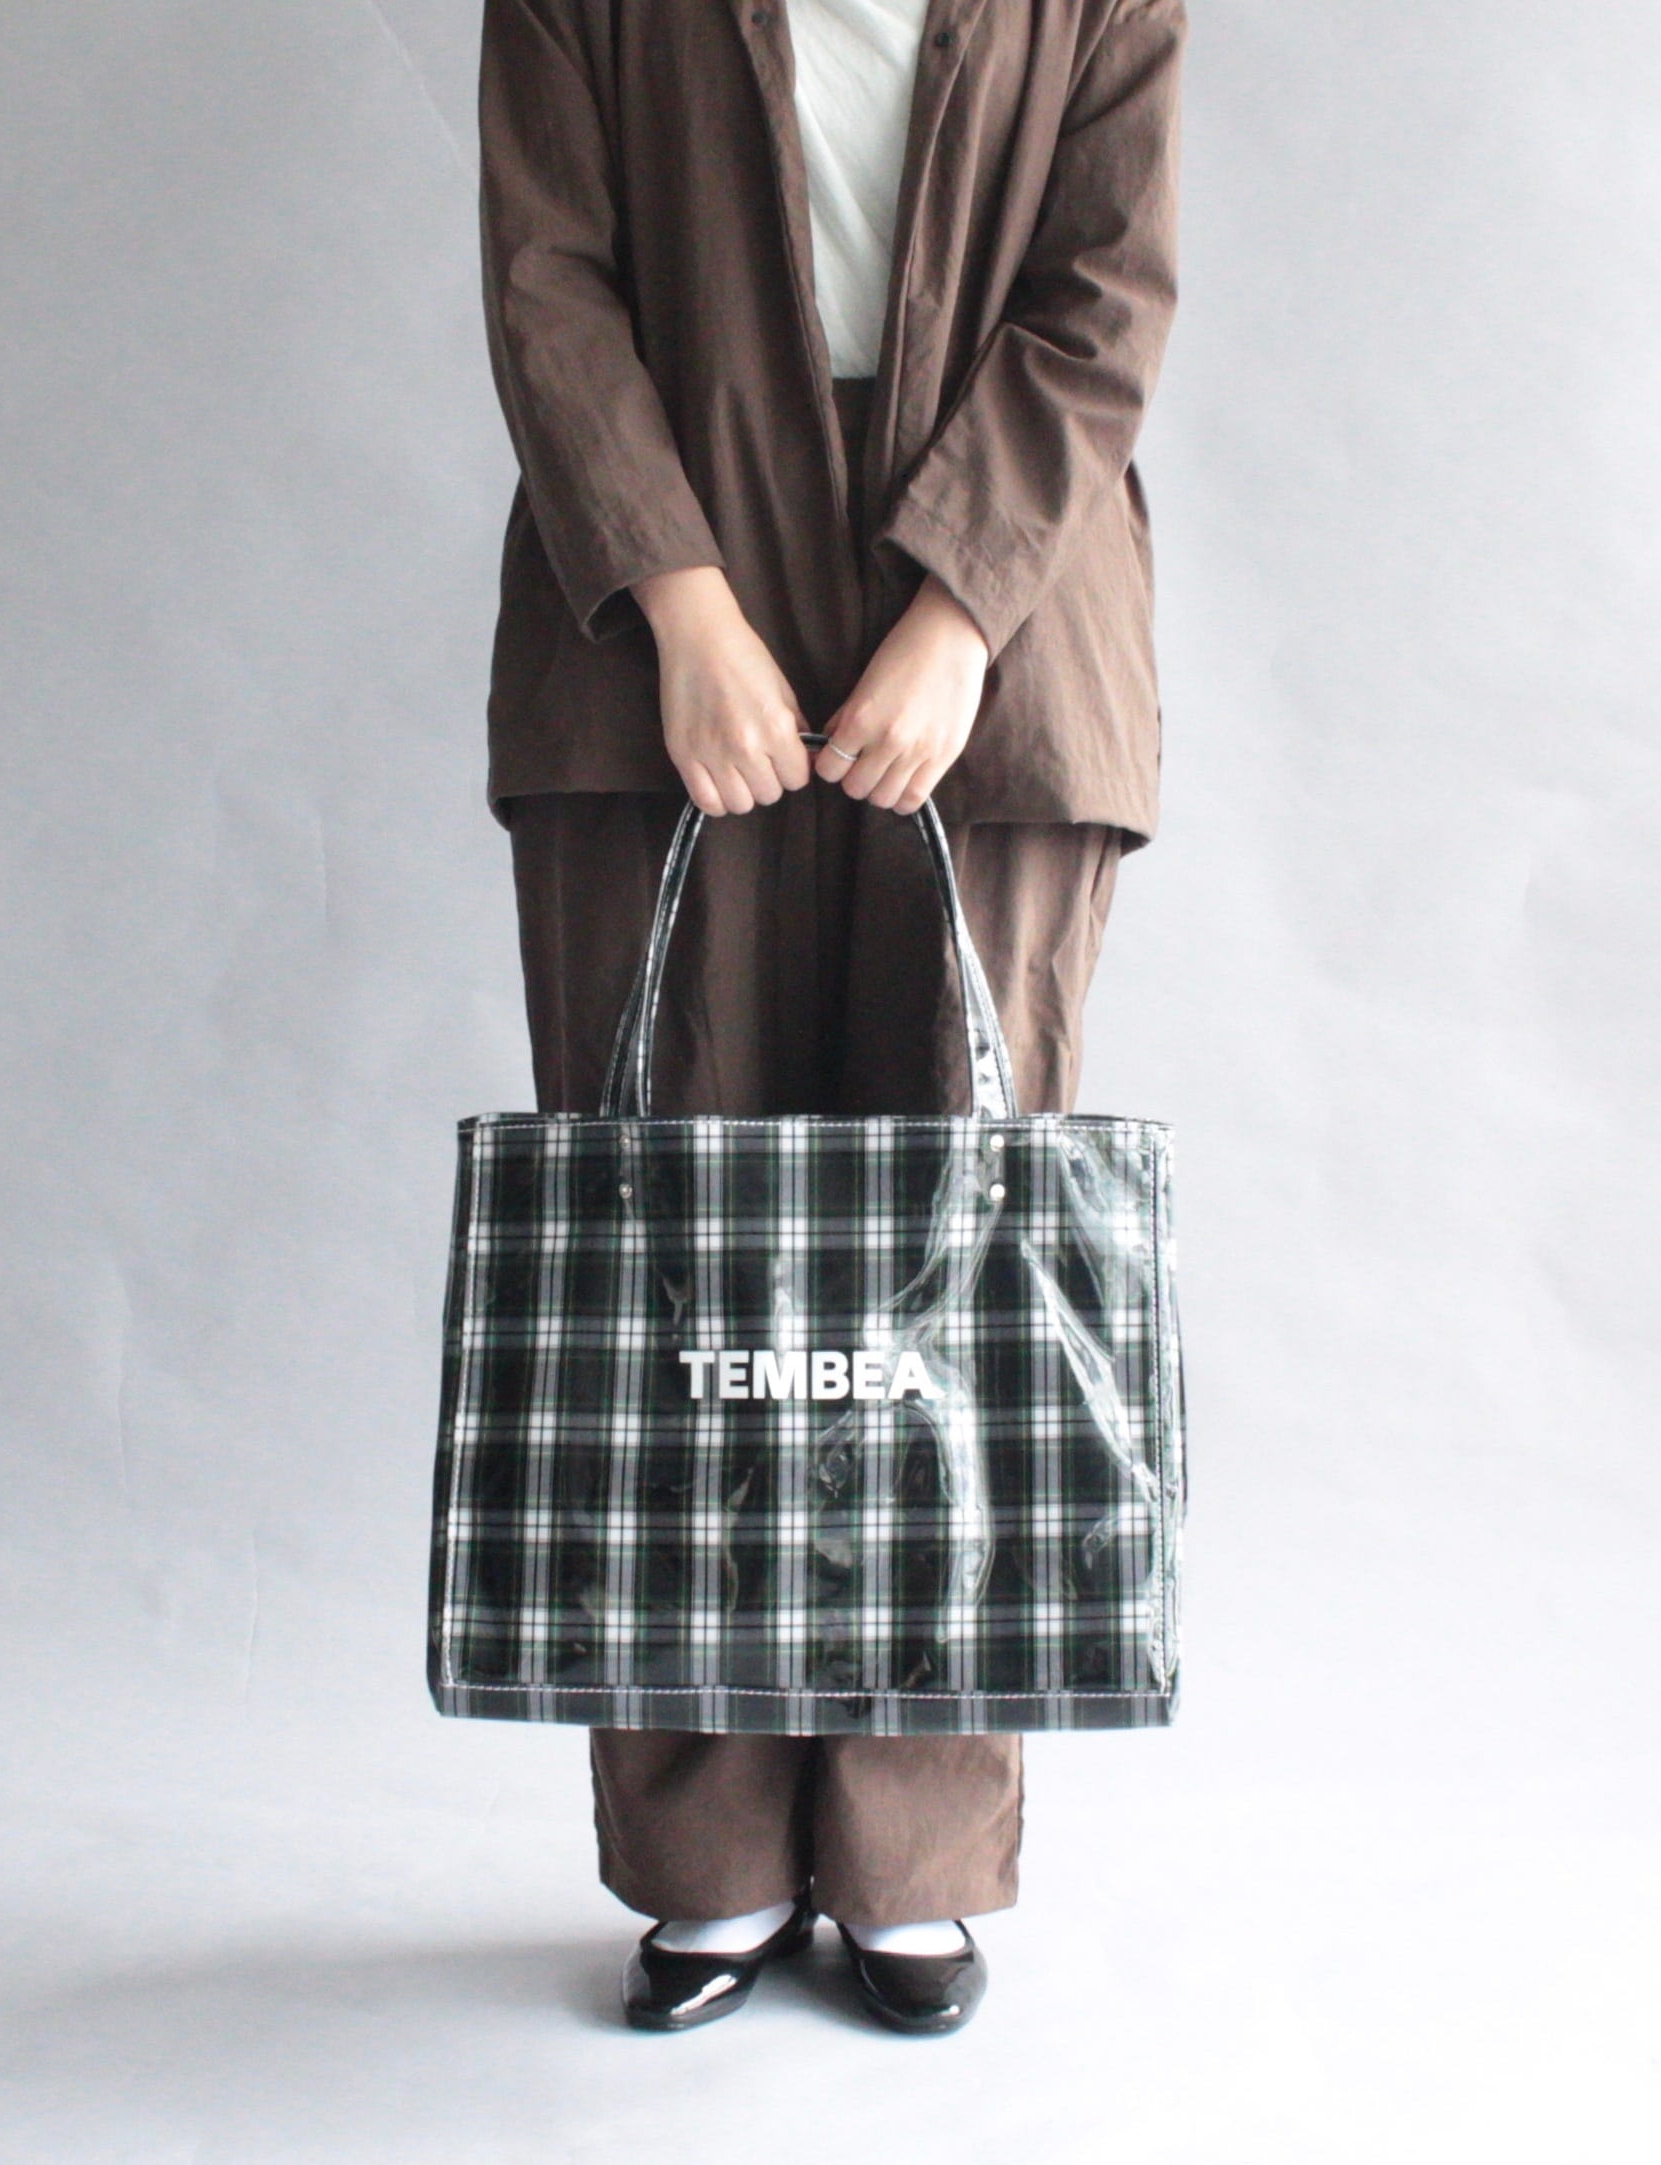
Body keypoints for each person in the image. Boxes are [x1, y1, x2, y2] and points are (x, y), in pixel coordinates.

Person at [474, 0, 1185, 2034]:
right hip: (660, 631)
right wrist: (680, 604)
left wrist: (961, 611)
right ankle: (702, 1850)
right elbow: (547, 277)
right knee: (682, 1256)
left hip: (1002, 637)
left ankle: (911, 1857)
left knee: (949, 1271)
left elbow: (1104, 292)